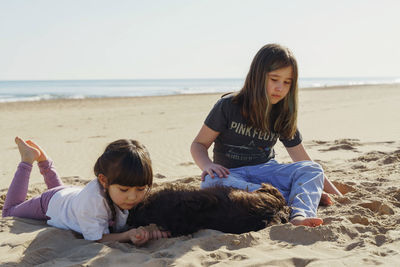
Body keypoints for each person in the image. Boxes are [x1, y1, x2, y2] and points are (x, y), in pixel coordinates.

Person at [190, 43, 342, 227]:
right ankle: (290, 197)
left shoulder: (282, 113)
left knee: (313, 169)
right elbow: (198, 144)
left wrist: (337, 195)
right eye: (274, 79)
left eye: (287, 82)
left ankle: (299, 214)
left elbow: (302, 159)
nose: (280, 88)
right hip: (231, 174)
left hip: (267, 173)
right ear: (257, 76)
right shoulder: (228, 106)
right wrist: (207, 166)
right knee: (209, 183)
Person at [2, 137, 169, 245]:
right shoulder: (93, 204)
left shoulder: (109, 193)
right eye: (124, 189)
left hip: (71, 195)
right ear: (104, 181)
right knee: (10, 212)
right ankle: (27, 160)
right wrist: (127, 235)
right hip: (49, 203)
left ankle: (45, 161)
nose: (133, 197)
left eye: (140, 189)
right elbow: (97, 238)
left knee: (64, 196)